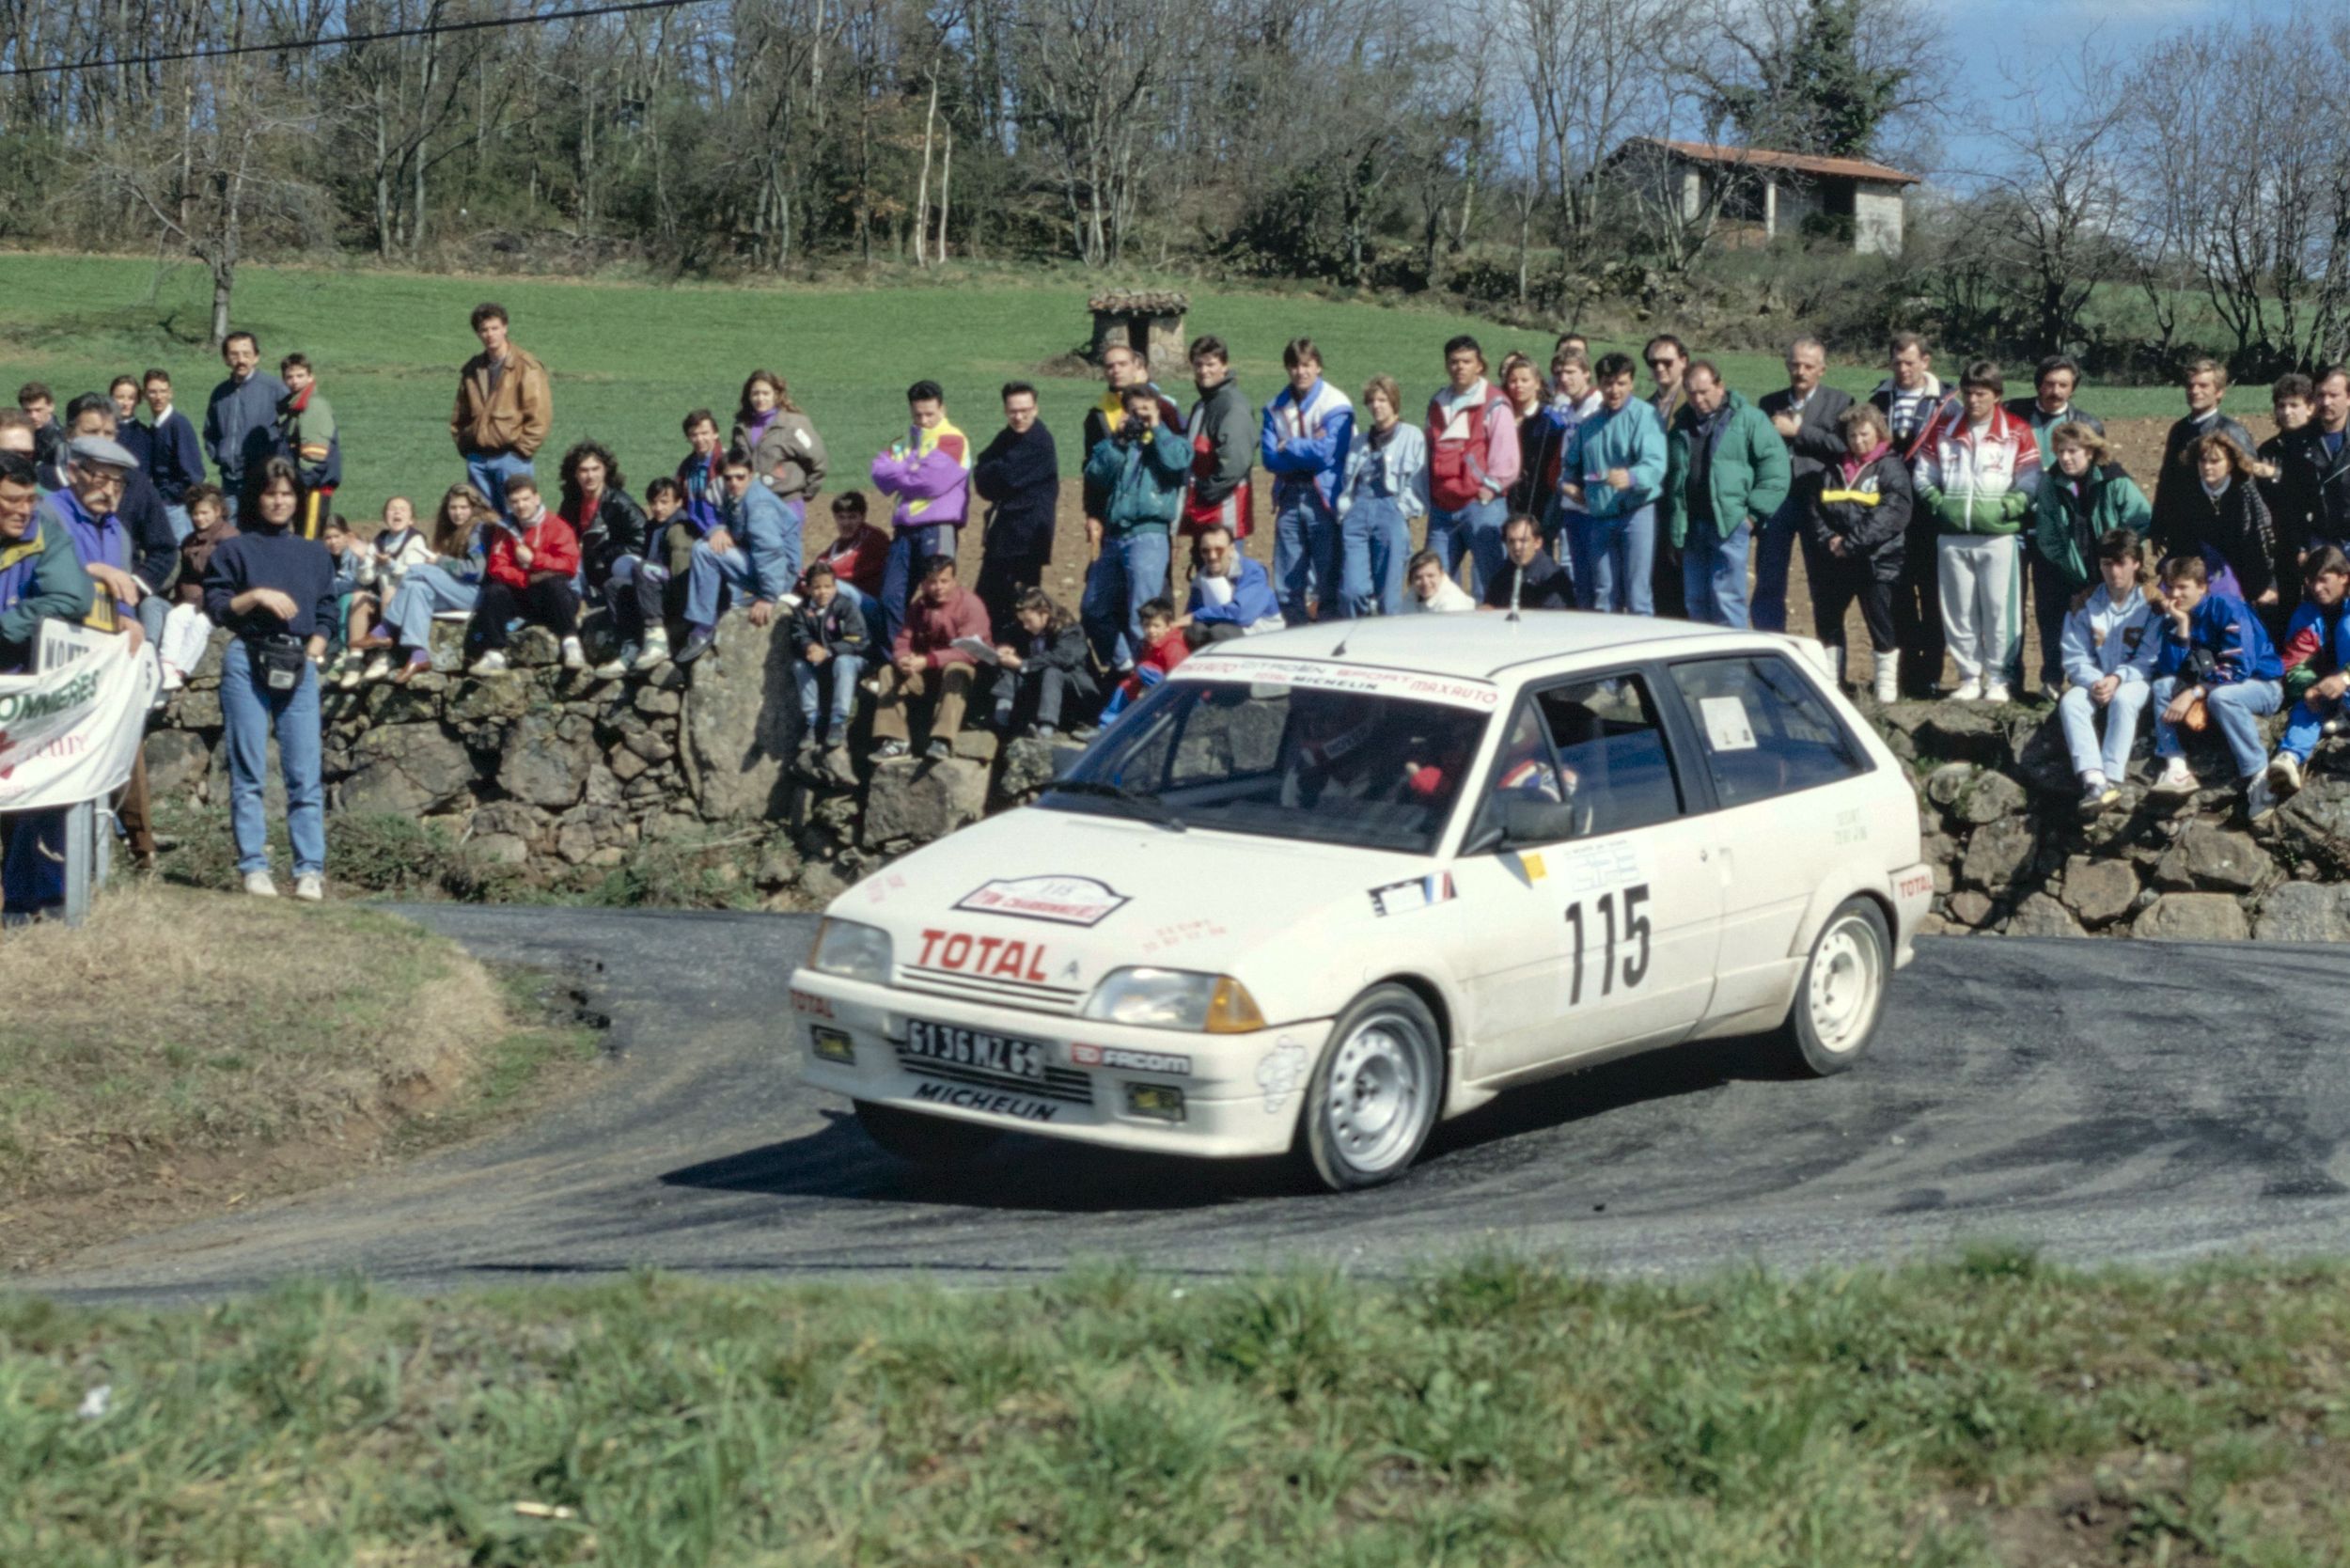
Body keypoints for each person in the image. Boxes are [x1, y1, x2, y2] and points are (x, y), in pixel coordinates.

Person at [202, 456, 336, 900]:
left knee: (304, 772)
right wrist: (256, 595)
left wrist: (314, 651)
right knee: (249, 769)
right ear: (256, 497)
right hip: (248, 659)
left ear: (297, 499)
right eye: (270, 492)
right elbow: (217, 607)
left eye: (286, 493)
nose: (278, 501)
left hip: (299, 663)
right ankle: (254, 867)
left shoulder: (315, 553)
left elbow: (327, 613)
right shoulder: (234, 550)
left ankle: (309, 870)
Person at [0, 447, 100, 919]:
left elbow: (72, 594)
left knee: (28, 790)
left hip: (19, 683)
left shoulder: (43, 531)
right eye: (10, 501)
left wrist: (9, 624)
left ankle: (22, 895)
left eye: (28, 500)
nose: (23, 510)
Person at [1917, 360, 2041, 703]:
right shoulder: (1944, 429)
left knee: (1999, 609)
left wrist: (2006, 507)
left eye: (1981, 394)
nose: (1973, 401)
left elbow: (2030, 478)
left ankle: (1999, 678)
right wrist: (1941, 505)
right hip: (1953, 535)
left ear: (1997, 396)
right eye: (1968, 393)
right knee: (1959, 610)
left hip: (1998, 536)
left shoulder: (2016, 430)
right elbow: (1923, 475)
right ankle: (1969, 676)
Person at [2147, 553, 2283, 811]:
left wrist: (2196, 692)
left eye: (2183, 587)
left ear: (2202, 587)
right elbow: (2170, 671)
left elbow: (2241, 667)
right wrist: (2183, 627)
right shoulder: (2176, 616)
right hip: (2212, 687)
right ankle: (2176, 766)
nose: (2176, 594)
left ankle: (2259, 774)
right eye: (2171, 586)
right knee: (2162, 687)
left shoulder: (2226, 607)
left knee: (2223, 697)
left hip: (2261, 686)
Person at [1661, 361, 1789, 628]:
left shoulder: (1749, 419)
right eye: (1692, 392)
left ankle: (1733, 668)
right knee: (1695, 601)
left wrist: (1752, 515)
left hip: (1729, 526)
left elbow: (1776, 470)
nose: (1698, 399)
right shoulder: (1680, 426)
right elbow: (1673, 481)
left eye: (1704, 391)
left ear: (1720, 386)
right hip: (1692, 527)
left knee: (1727, 601)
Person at [1802, 402, 1912, 701]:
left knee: (1880, 620)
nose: (1858, 441)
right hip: (1835, 560)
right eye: (1852, 435)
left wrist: (1851, 543)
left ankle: (1886, 688)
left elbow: (1891, 514)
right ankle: (1831, 682)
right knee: (1828, 619)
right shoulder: (1833, 469)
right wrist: (1829, 540)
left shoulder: (1891, 468)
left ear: (1878, 433)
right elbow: (1816, 507)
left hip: (1876, 560)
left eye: (1864, 434)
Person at [1872, 332, 1962, 697]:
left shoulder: (1949, 401)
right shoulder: (1879, 399)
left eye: (1910, 362)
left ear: (1926, 361)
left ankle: (1932, 672)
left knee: (1935, 593)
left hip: (1932, 512)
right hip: (1894, 510)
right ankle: (1909, 672)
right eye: (1897, 362)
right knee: (1900, 593)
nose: (1903, 369)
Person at [1082, 384, 1189, 671]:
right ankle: (1127, 666)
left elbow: (1178, 461)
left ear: (1156, 410)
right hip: (1115, 535)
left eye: (1145, 410)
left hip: (1149, 534)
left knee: (1139, 615)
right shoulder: (1119, 443)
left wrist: (1157, 429)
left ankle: (1144, 681)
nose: (1139, 416)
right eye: (1134, 411)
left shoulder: (1170, 440)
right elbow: (1094, 475)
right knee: (1093, 608)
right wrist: (1118, 441)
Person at [2055, 527, 2161, 815]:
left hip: (2136, 679)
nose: (2114, 572)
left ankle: (2112, 774)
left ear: (2136, 563)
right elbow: (2075, 656)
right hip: (2095, 679)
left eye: (2121, 563)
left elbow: (2150, 656)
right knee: (2071, 702)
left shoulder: (2152, 603)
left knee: (2124, 699)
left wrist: (2118, 679)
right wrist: (2095, 681)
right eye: (2107, 564)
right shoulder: (2085, 603)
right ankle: (2094, 780)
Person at [1754, 337, 1853, 634]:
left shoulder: (1840, 403)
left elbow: (1843, 446)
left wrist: (1798, 431)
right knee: (1769, 580)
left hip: (1819, 503)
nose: (1801, 371)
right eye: (1795, 365)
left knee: (1824, 587)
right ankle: (1769, 652)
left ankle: (1830, 662)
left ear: (1822, 369)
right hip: (1777, 501)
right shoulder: (1769, 403)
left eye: (1808, 366)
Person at [674, 447, 804, 666]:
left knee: (704, 551)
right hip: (765, 565)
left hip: (780, 574)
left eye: (740, 477)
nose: (734, 482)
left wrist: (769, 597)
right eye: (728, 478)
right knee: (706, 545)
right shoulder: (737, 495)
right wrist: (720, 530)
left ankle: (703, 627)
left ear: (750, 475)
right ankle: (709, 614)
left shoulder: (758, 504)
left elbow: (770, 551)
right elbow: (737, 529)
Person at [1560, 353, 1667, 615]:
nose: (1614, 390)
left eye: (1621, 383)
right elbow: (1570, 466)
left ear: (1631, 383)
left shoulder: (1645, 416)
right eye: (1608, 384)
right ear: (1599, 384)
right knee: (1605, 593)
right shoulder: (1590, 424)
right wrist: (1569, 485)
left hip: (1636, 512)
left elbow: (1655, 463)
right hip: (1600, 516)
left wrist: (1631, 477)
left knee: (1638, 594)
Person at [869, 379, 972, 647]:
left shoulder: (953, 439)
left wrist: (902, 471)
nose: (924, 420)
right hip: (904, 531)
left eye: (930, 414)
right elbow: (878, 472)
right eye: (918, 414)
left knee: (938, 596)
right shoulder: (904, 441)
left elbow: (931, 481)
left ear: (943, 409)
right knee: (891, 596)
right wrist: (913, 469)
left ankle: (937, 662)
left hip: (937, 528)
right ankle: (896, 659)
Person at [1259, 337, 1354, 626]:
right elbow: (1269, 458)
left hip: (1323, 496)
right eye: (1294, 365)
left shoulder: (1336, 403)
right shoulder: (1275, 407)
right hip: (1289, 495)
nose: (1300, 372)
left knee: (1328, 577)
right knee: (1287, 580)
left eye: (1307, 365)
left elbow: (1328, 454)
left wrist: (1290, 445)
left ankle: (1327, 635)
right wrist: (1307, 448)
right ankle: (1296, 633)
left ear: (1318, 367)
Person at [1422, 335, 1518, 598]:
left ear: (1479, 365)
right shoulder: (1437, 402)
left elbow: (1507, 455)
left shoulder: (1494, 402)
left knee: (1492, 584)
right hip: (1442, 509)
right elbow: (1429, 450)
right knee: (1435, 585)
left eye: (1466, 361)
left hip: (1481, 506)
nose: (1459, 367)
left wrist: (1490, 487)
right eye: (1453, 362)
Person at [874, 555, 990, 760]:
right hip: (926, 677)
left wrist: (928, 660)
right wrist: (903, 659)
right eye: (932, 582)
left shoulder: (971, 605)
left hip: (965, 681)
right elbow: (903, 639)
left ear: (954, 580)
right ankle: (896, 741)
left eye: (944, 581)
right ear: (923, 583)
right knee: (887, 672)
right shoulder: (919, 606)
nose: (938, 587)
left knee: (957, 668)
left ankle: (942, 740)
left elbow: (971, 651)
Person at [464, 474, 582, 676]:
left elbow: (568, 565)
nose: (521, 506)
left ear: (537, 498)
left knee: (554, 583)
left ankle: (571, 643)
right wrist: (525, 578)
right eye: (515, 501)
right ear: (509, 504)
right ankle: (494, 654)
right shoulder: (505, 530)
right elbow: (496, 566)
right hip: (522, 593)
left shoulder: (557, 526)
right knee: (495, 591)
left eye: (526, 499)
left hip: (554, 597)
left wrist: (535, 559)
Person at [552, 440, 651, 677]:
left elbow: (641, 541)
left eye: (595, 469)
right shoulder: (571, 503)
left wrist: (604, 553)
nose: (590, 476)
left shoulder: (620, 503)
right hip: (587, 570)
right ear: (574, 474)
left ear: (606, 470)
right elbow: (561, 538)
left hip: (617, 565)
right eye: (583, 470)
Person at [2261, 546, 2350, 808]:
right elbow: (2293, 666)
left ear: (2344, 576)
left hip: (2344, 684)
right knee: (2306, 705)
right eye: (2312, 581)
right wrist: (2313, 686)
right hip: (2330, 690)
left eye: (2324, 580)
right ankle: (2289, 757)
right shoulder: (2306, 615)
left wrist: (2344, 678)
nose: (2317, 588)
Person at [2153, 432, 2277, 618]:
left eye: (2215, 461)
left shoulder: (2245, 491)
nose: (2207, 467)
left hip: (2244, 571)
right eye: (2203, 461)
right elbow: (2180, 540)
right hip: (2199, 569)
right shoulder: (2186, 492)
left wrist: (2264, 586)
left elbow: (2258, 540)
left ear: (2230, 463)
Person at [970, 381, 1058, 638]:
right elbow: (984, 476)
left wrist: (992, 470)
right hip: (1004, 534)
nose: (1019, 417)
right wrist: (992, 471)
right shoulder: (1008, 436)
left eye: (1025, 410)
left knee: (1021, 605)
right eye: (1013, 411)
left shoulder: (1038, 441)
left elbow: (1003, 478)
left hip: (1027, 538)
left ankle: (1017, 657)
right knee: (988, 599)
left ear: (1036, 408)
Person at [1335, 373, 1428, 617]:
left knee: (1389, 594)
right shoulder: (1359, 442)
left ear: (1394, 402)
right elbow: (1348, 482)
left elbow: (1418, 482)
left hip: (1391, 510)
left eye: (1382, 400)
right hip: (1358, 513)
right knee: (1352, 591)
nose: (1376, 406)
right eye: (1372, 401)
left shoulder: (1411, 435)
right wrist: (1348, 510)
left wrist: (1400, 510)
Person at [2032, 422, 2154, 606]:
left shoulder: (2114, 481)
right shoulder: (2050, 484)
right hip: (2071, 579)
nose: (2065, 458)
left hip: (2118, 577)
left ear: (2089, 451)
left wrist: (2120, 560)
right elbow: (2047, 536)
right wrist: (2070, 565)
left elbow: (2141, 521)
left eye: (2072, 451)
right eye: (2060, 451)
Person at [383, 483, 492, 682]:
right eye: (453, 508)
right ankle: (419, 656)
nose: (457, 513)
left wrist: (440, 562)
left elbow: (476, 572)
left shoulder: (478, 529)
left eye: (463, 507)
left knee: (417, 570)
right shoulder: (453, 531)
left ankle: (386, 628)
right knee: (417, 589)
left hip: (478, 594)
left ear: (474, 508)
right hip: (459, 592)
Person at [450, 302, 552, 515]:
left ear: (505, 328)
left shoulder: (526, 366)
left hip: (511, 458)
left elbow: (540, 416)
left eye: (494, 328)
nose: (490, 334)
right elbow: (460, 415)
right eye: (484, 330)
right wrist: (468, 449)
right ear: (478, 333)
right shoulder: (472, 369)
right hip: (478, 460)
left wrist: (520, 451)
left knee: (517, 517)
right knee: (482, 521)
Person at [2151, 357, 2256, 549]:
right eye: (2190, 386)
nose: (2195, 391)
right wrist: (2158, 525)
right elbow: (2167, 479)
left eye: (2203, 386)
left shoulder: (2231, 432)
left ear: (2219, 392)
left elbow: (2249, 486)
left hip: (2221, 535)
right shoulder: (2179, 430)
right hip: (2183, 533)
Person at [788, 561, 867, 784]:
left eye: (827, 587)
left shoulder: (846, 606)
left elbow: (858, 640)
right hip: (819, 660)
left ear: (835, 586)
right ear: (808, 588)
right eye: (817, 587)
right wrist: (808, 647)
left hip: (851, 660)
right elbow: (798, 635)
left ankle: (838, 722)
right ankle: (812, 720)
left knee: (843, 662)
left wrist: (830, 651)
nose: (822, 592)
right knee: (799, 666)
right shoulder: (803, 610)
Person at [341, 495, 433, 684]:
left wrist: (390, 564)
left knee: (390, 592)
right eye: (392, 509)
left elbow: (414, 573)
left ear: (411, 519)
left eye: (402, 509)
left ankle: (386, 655)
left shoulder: (415, 540)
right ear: (385, 517)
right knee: (359, 596)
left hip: (406, 599)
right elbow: (366, 578)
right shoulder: (379, 541)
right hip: (382, 595)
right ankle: (355, 658)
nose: (397, 512)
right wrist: (362, 561)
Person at [991, 588, 1097, 739]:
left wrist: (1023, 664)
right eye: (1022, 621)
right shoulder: (1025, 627)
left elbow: (1062, 658)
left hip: (1076, 689)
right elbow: (1007, 634)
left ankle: (1046, 729)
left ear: (1044, 613)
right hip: (1042, 689)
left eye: (1029, 621)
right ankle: (1001, 718)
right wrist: (1004, 647)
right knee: (1008, 664)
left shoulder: (1069, 629)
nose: (1025, 626)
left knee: (1052, 672)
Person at [158, 482, 235, 690]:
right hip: (194, 600)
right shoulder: (190, 541)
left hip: (220, 602)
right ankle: (167, 667)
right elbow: (186, 577)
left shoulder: (230, 540)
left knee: (201, 623)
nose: (199, 518)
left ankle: (180, 670)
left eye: (205, 513)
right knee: (176, 616)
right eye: (195, 513)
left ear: (218, 511)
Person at [1182, 336, 1255, 544]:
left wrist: (1206, 493)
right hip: (1203, 511)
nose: (1204, 371)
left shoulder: (1231, 406)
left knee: (1225, 572)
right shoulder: (1202, 405)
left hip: (1225, 510)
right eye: (1198, 364)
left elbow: (1236, 461)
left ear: (1225, 366)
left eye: (1210, 364)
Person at [2275, 367, 2350, 559]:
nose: (2326, 402)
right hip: (2319, 542)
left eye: (2334, 395)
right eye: (2320, 395)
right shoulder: (2298, 443)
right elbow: (2292, 501)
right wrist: (2301, 546)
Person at [1643, 334, 1693, 618]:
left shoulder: (1695, 401)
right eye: (1653, 363)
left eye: (1667, 361)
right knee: (1662, 586)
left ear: (1683, 362)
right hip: (1654, 505)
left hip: (1685, 504)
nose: (1660, 368)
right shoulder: (1646, 406)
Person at [204, 332, 286, 500]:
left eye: (246, 354)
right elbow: (210, 431)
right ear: (226, 359)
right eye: (234, 355)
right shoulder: (220, 393)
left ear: (256, 357)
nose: (241, 360)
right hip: (230, 480)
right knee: (232, 526)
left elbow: (290, 428)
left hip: (263, 479)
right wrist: (220, 455)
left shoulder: (274, 388)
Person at [125, 368, 203, 542]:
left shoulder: (178, 425)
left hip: (176, 506)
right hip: (161, 502)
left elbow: (194, 474)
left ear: (170, 393)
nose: (158, 397)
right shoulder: (154, 427)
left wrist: (168, 496)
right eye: (152, 392)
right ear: (144, 395)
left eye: (163, 391)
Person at [627, 478, 697, 668]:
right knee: (614, 585)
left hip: (675, 593)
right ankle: (629, 644)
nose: (658, 508)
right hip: (654, 586)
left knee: (642, 569)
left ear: (678, 502)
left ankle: (657, 637)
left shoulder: (680, 528)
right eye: (654, 502)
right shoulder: (652, 527)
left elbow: (681, 571)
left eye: (664, 502)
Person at [731, 368, 827, 509]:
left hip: (787, 504)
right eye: (755, 393)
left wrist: (804, 494)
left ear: (776, 395)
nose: (760, 398)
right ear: (749, 396)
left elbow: (819, 461)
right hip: (753, 503)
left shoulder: (794, 424)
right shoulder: (742, 428)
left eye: (766, 393)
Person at [1177, 522, 1282, 644]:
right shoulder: (1201, 577)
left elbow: (1242, 615)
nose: (1212, 556)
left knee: (1220, 632)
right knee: (1193, 631)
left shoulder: (1252, 571)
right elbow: (1190, 614)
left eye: (1219, 549)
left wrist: (1196, 616)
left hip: (1263, 634)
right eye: (1205, 551)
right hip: (1222, 628)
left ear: (1232, 549)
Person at [274, 353, 341, 539]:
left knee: (309, 541)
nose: (294, 381)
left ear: (311, 376)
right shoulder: (292, 406)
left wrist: (300, 483)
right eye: (289, 376)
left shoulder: (314, 405)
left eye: (300, 376)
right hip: (302, 485)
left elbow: (315, 454)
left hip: (313, 488)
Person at [1093, 597, 1188, 728]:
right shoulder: (1149, 644)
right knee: (1126, 686)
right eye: (1146, 625)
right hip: (1160, 687)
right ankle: (1106, 727)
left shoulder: (1173, 646)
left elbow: (1181, 680)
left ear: (1168, 626)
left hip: (1178, 694)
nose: (1151, 631)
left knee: (1144, 669)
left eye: (1156, 626)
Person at [1545, 350, 1603, 557]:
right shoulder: (1568, 408)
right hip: (1571, 502)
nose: (1564, 379)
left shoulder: (1597, 406)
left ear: (1586, 373)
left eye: (1571, 372)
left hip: (1592, 505)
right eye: (1560, 373)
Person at [1502, 351, 1563, 532]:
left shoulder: (1551, 419)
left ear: (1537, 383)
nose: (1518, 385)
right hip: (1506, 496)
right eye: (1513, 380)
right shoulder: (1502, 416)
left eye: (1524, 380)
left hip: (1539, 498)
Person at [2256, 372, 2317, 554]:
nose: (2286, 412)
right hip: (2280, 540)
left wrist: (2276, 475)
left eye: (2294, 405)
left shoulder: (2319, 447)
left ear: (2310, 408)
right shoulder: (2268, 451)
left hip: (2314, 538)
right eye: (2281, 405)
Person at [1480, 513, 1574, 613]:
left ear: (1537, 542)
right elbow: (1489, 606)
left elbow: (1556, 616)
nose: (1517, 547)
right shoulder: (1503, 574)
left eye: (1523, 540)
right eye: (1511, 541)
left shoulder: (1551, 576)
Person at [676, 407, 729, 536]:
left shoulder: (729, 464)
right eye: (694, 435)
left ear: (716, 434)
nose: (699, 439)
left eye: (705, 433)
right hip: (694, 530)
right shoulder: (686, 468)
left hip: (723, 531)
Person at [1406, 548, 1476, 613]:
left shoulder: (1451, 605)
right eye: (1418, 577)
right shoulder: (1414, 592)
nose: (1425, 582)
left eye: (1430, 576)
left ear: (1441, 574)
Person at [16, 382, 63, 470]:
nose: (33, 416)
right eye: (28, 411)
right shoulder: (23, 434)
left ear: (51, 407)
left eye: (38, 410)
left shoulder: (59, 442)